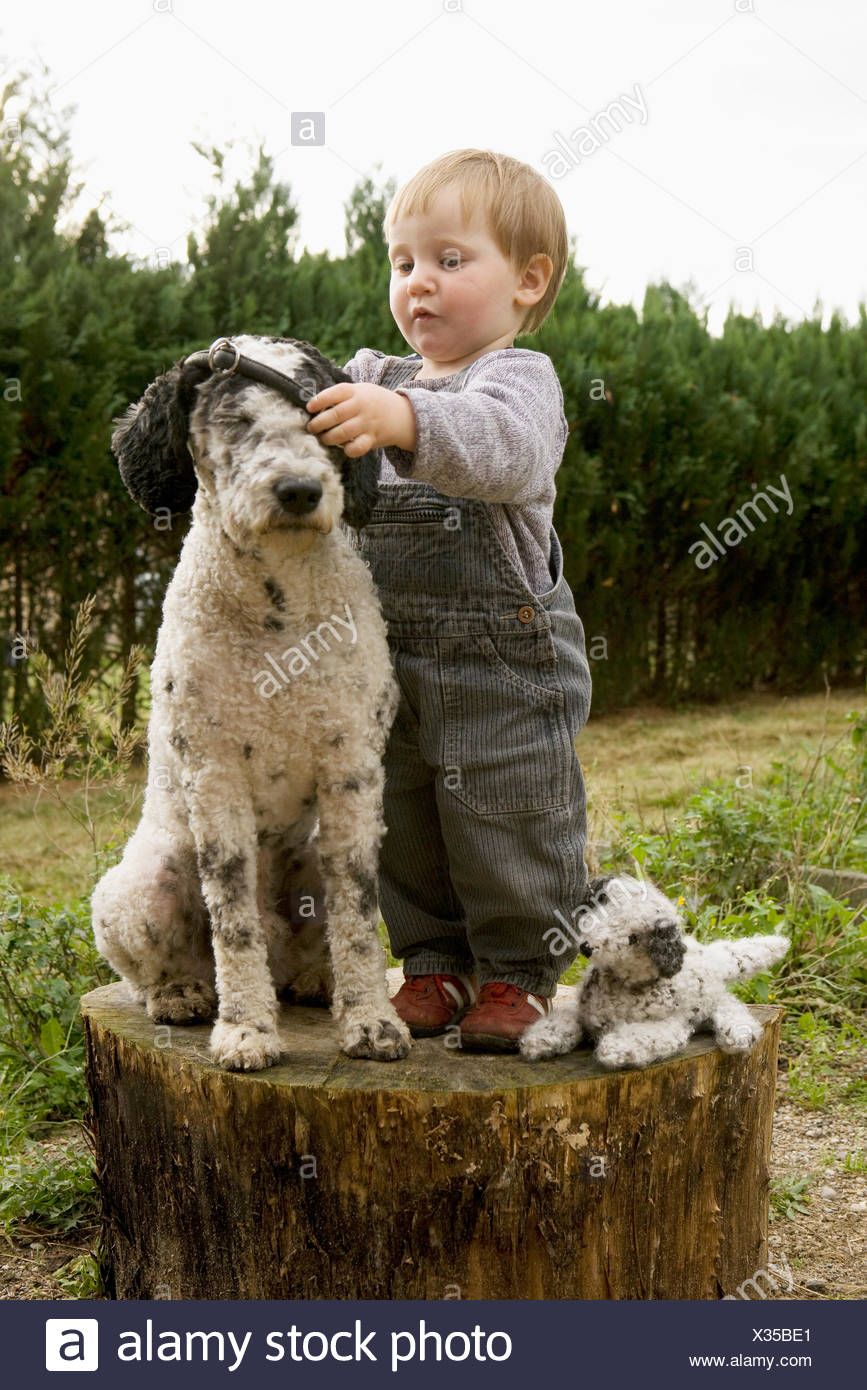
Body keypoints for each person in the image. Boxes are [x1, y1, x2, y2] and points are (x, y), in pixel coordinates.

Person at [304, 148, 591, 1051]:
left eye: (448, 260)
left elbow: (505, 452)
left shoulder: (519, 381)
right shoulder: (371, 378)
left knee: (507, 814)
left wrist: (406, 423)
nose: (417, 283)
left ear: (527, 281)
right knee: (404, 820)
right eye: (402, 263)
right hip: (389, 662)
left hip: (506, 667)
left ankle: (517, 973)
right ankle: (432, 964)